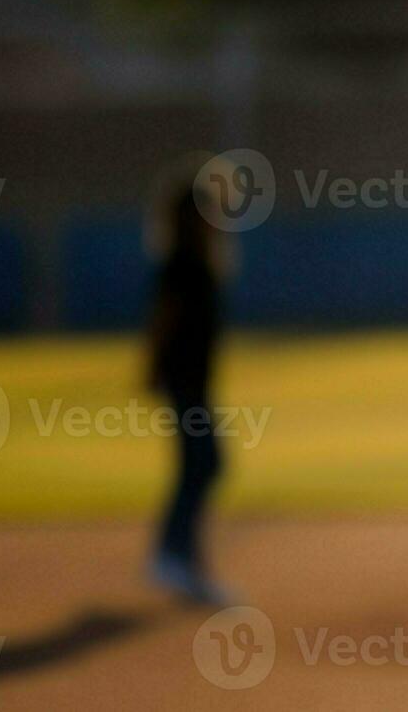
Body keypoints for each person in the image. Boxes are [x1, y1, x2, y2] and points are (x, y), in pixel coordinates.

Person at [144, 176, 233, 606]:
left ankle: (183, 559)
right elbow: (164, 321)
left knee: (202, 465)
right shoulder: (183, 263)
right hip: (184, 384)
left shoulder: (196, 260)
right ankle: (172, 555)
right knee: (203, 464)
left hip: (193, 383)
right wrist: (153, 370)